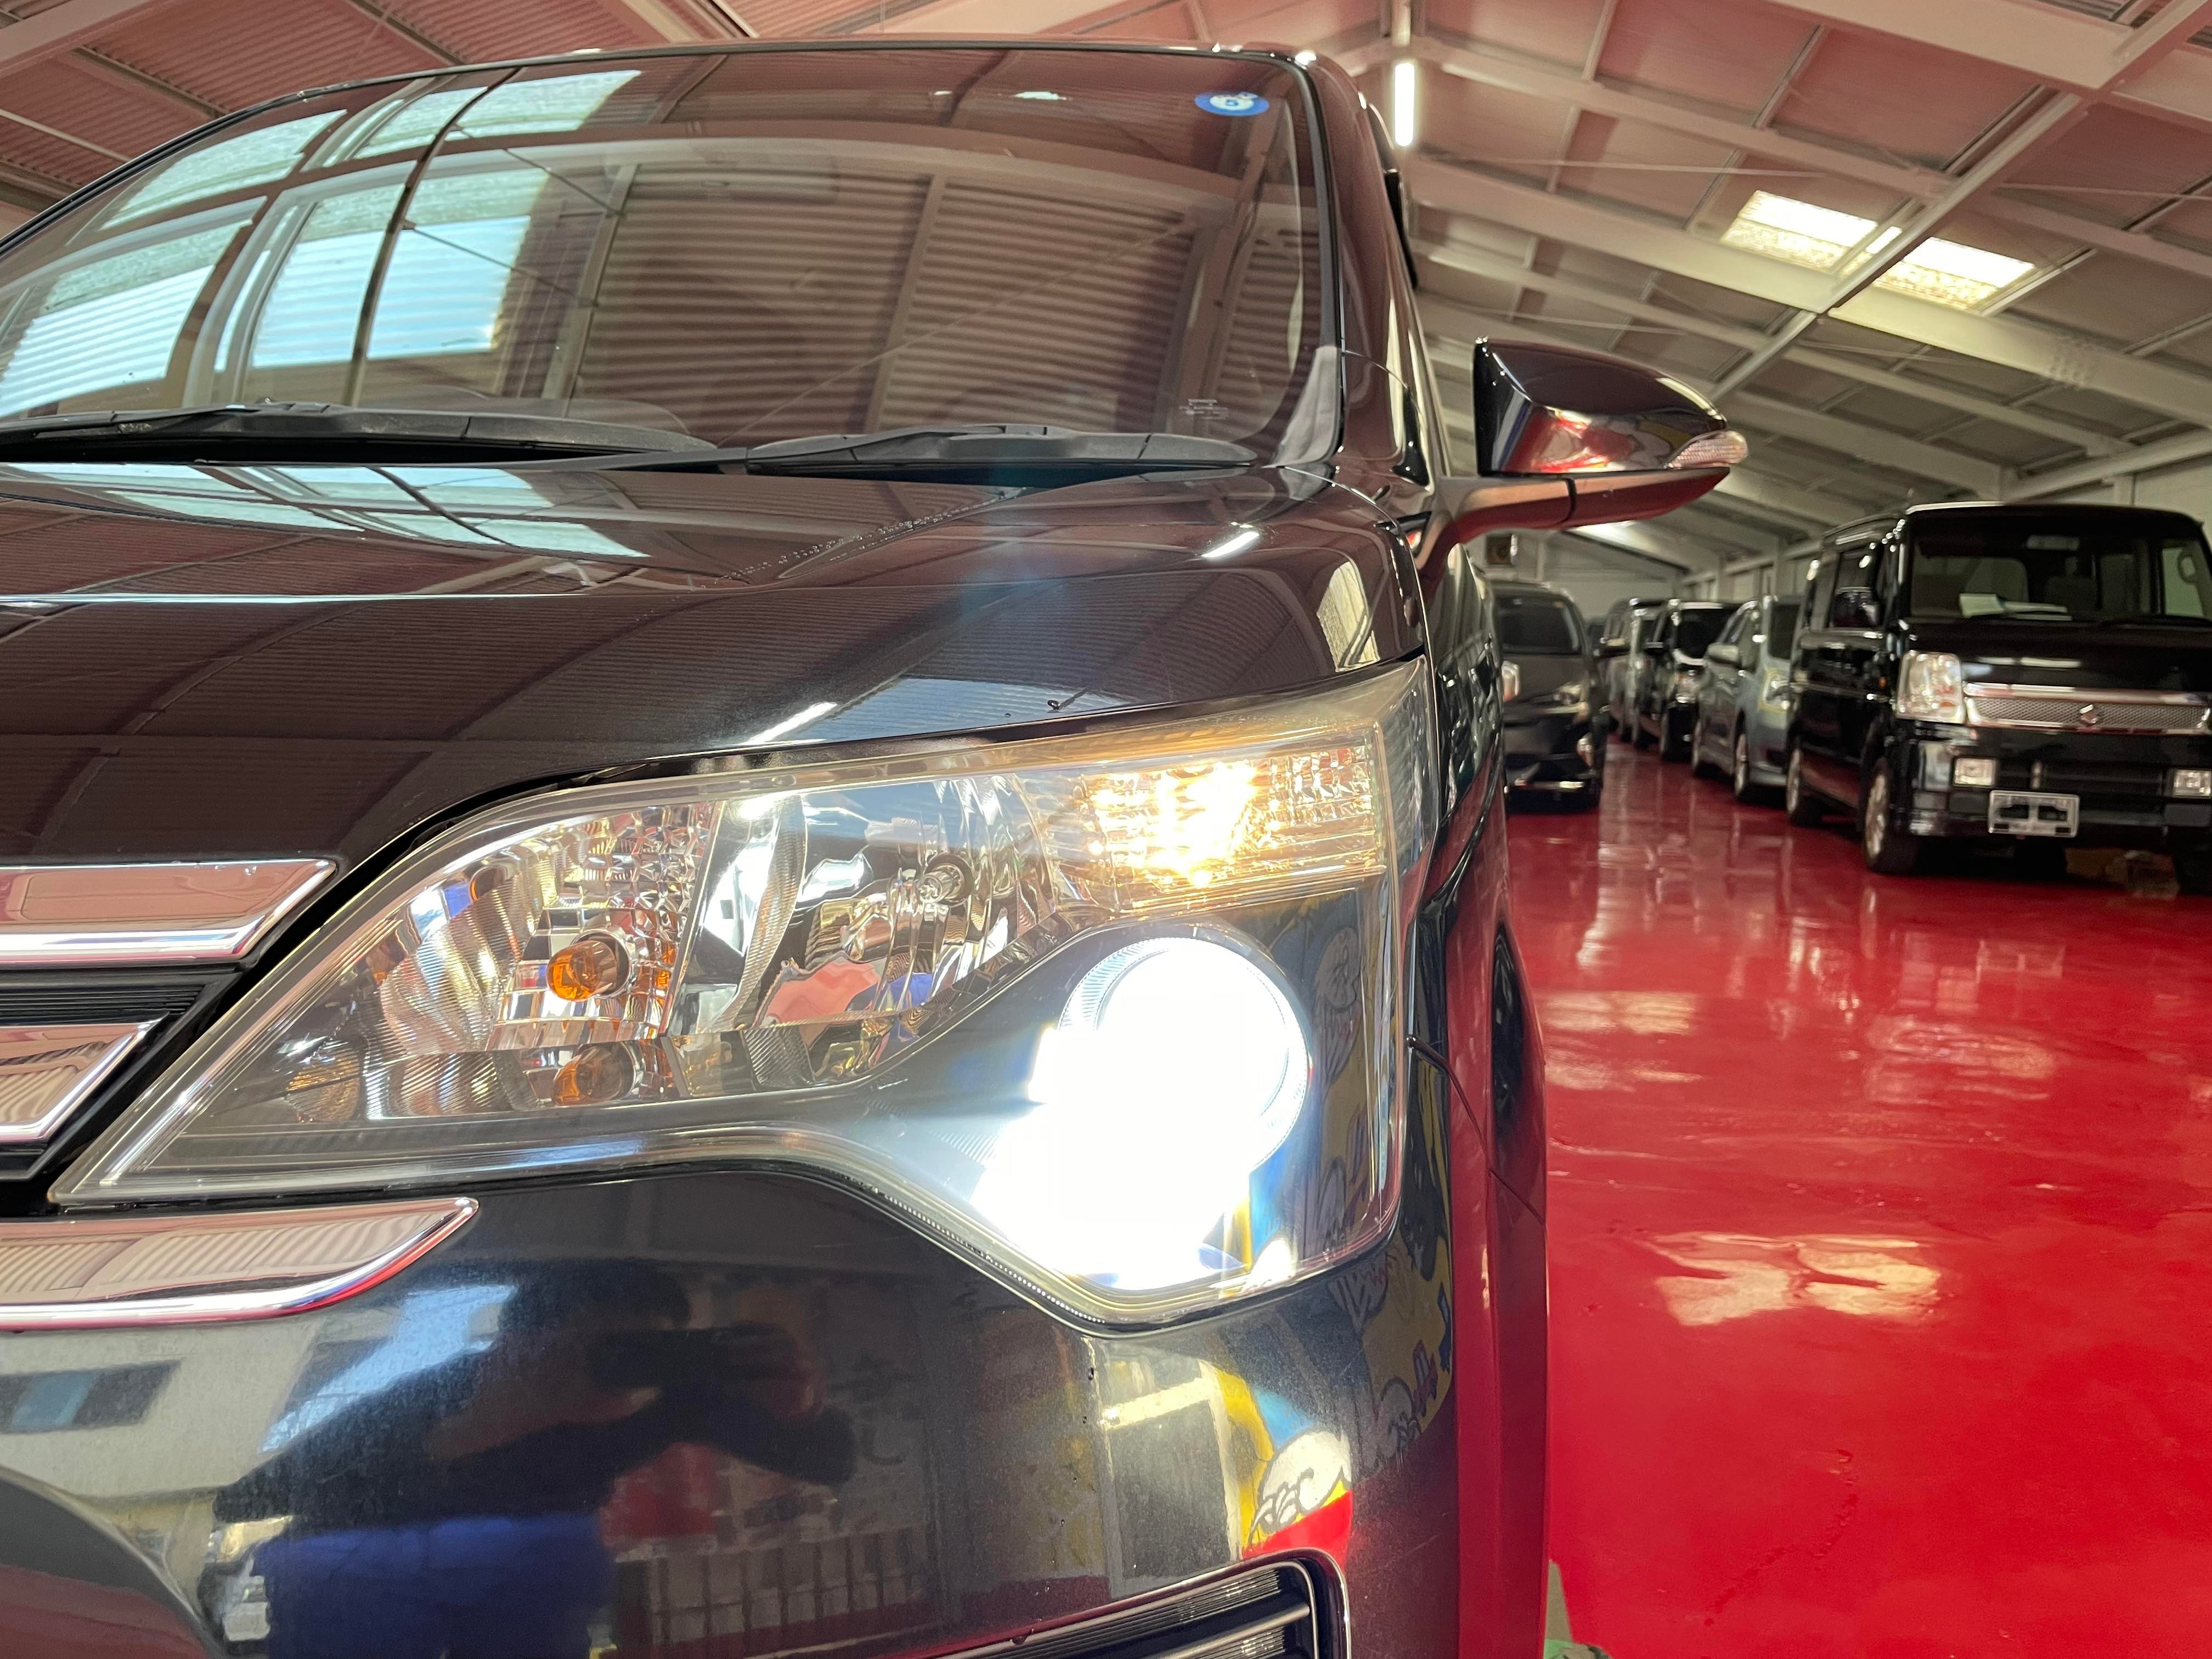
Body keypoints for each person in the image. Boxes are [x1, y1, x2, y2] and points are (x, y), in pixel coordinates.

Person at [216, 1262, 855, 1659]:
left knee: (551, 1560)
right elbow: (251, 1497)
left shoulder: (665, 1397)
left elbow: (832, 1463)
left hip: (530, 1575)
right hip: (366, 1571)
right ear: (518, 1344)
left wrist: (798, 1410)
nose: (618, 1370)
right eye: (599, 1349)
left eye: (644, 1351)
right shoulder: (440, 1391)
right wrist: (484, 1422)